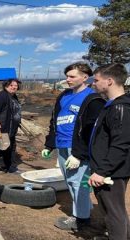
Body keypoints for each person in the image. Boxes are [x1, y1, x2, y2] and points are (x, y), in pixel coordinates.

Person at [41, 62, 105, 231]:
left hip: (77, 148)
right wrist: (49, 144)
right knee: (70, 181)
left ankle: (81, 219)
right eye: (67, 76)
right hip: (62, 145)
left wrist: (79, 154)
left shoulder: (92, 98)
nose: (67, 79)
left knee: (79, 183)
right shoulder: (63, 96)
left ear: (85, 77)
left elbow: (93, 130)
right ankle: (84, 209)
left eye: (72, 76)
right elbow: (54, 121)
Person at [88, 63, 130, 240]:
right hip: (105, 169)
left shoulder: (120, 108)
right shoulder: (112, 105)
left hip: (111, 172)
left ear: (110, 81)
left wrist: (102, 171)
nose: (94, 84)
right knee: (109, 209)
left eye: (97, 80)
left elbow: (120, 144)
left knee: (114, 212)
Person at [0, 79, 22, 173]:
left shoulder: (13, 97)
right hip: (4, 127)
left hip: (12, 128)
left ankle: (11, 167)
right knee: (3, 148)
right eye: (11, 85)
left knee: (11, 147)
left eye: (16, 85)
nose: (14, 87)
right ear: (6, 86)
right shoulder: (1, 96)